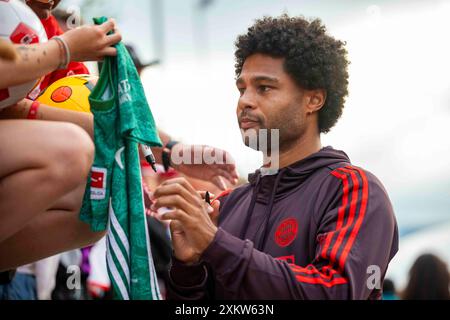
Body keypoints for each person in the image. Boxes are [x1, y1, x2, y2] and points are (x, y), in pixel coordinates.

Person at [151, 14, 399, 300]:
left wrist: (215, 243)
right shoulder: (228, 205)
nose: (245, 100)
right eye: (242, 89)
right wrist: (188, 268)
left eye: (264, 87)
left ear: (314, 99)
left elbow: (336, 293)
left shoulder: (353, 190)